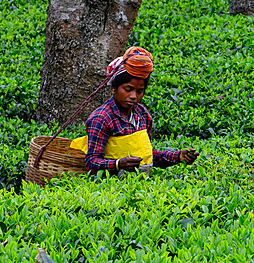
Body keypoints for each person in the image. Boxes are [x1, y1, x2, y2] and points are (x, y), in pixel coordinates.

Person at [70, 47, 199, 174]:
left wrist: (177, 157)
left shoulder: (143, 115)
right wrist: (117, 164)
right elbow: (91, 162)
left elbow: (146, 154)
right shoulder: (101, 118)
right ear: (114, 87)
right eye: (128, 89)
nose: (133, 96)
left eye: (139, 91)